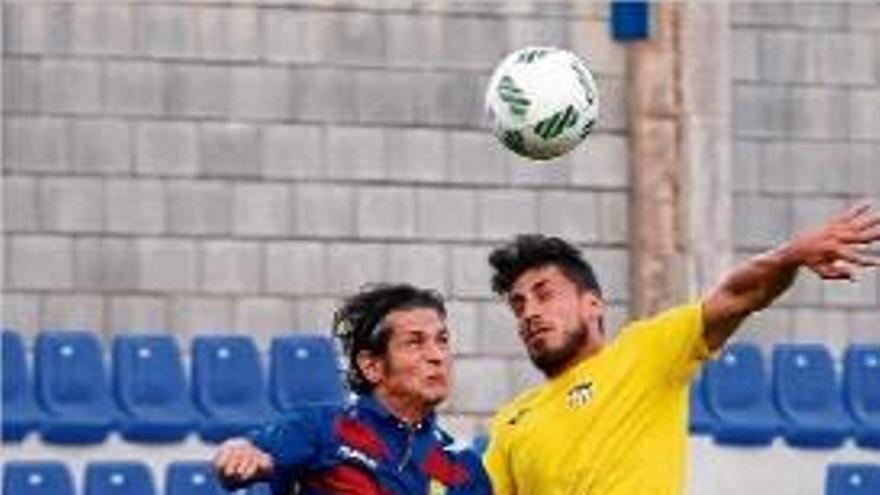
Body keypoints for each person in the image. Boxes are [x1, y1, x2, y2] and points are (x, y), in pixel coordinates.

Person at [482, 203, 880, 495]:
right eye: (519, 305)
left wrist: (791, 255)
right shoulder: (512, 421)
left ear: (593, 304)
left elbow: (741, 294)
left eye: (544, 295)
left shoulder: (646, 351)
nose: (530, 312)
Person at [213, 284, 492, 495]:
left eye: (442, 340)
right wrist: (238, 453)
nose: (437, 355)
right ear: (372, 366)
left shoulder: (463, 465)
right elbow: (242, 454)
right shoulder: (319, 428)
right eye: (415, 343)